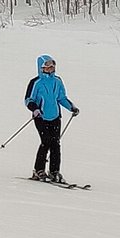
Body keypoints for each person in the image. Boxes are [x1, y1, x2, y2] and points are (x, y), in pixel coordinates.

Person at [24, 54, 79, 183]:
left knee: (55, 144)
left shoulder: (57, 81)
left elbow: (61, 98)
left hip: (55, 116)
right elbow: (28, 99)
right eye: (47, 67)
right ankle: (39, 170)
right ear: (41, 68)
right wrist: (35, 108)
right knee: (46, 142)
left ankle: (54, 171)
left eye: (52, 67)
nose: (50, 69)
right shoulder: (35, 82)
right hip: (41, 117)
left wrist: (71, 107)